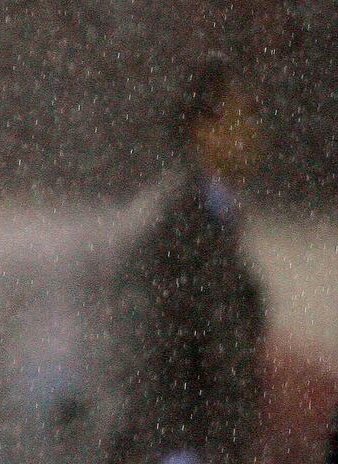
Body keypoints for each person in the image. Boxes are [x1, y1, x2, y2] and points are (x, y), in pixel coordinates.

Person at [108, 55, 267, 464]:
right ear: (202, 130)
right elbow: (160, 347)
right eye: (238, 117)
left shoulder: (215, 220)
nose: (251, 132)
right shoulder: (181, 222)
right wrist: (178, 448)